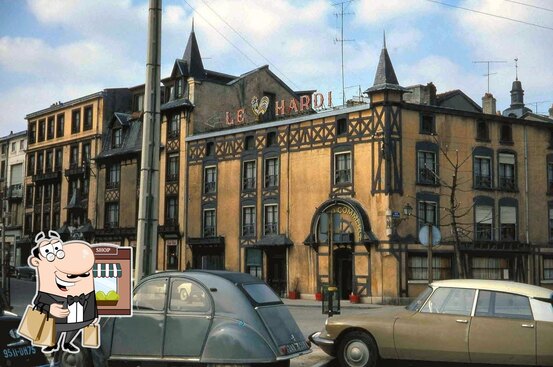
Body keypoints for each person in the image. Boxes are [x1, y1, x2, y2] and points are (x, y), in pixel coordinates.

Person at [27, 230, 98, 353]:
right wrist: (49, 309)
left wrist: (94, 316)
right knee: (57, 328)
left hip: (77, 317)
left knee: (74, 327)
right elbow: (39, 302)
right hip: (58, 320)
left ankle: (67, 343)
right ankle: (53, 344)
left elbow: (91, 301)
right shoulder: (48, 290)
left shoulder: (84, 290)